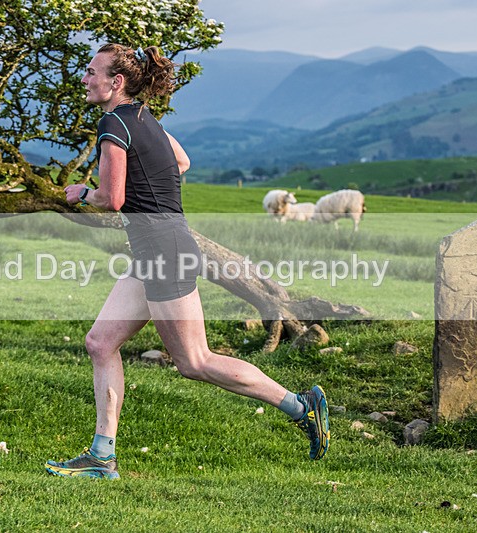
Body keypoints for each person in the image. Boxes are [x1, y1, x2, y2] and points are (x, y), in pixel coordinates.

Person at [46, 44, 329, 480]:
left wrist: (82, 192)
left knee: (195, 362)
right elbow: (182, 161)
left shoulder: (112, 124)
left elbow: (112, 199)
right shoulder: (144, 118)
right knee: (100, 343)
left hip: (163, 252)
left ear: (115, 82)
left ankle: (300, 406)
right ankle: (102, 456)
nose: (85, 79)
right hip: (156, 250)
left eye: (91, 71)